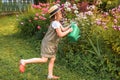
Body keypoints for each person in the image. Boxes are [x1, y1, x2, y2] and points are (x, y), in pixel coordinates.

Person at [19, 4, 73, 80]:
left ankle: (50, 76)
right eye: (60, 13)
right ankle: (24, 61)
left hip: (52, 44)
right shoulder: (55, 23)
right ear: (55, 16)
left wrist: (70, 26)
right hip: (48, 44)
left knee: (52, 58)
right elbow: (60, 34)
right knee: (44, 60)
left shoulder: (57, 22)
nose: (61, 14)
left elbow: (63, 29)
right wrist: (69, 31)